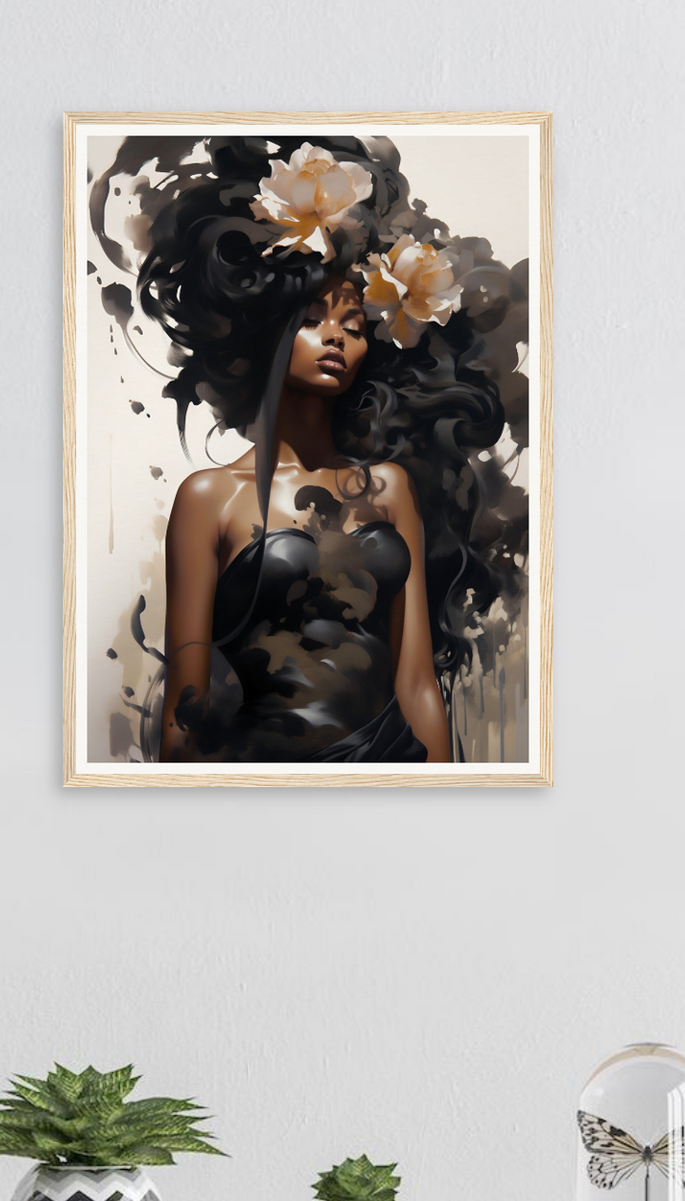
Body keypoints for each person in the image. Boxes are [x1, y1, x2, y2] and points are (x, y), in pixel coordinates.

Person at [92, 136, 523, 766]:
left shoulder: (389, 489)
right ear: (270, 325)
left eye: (353, 327)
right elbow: (188, 699)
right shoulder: (208, 498)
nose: (338, 340)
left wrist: (442, 800)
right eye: (316, 318)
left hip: (387, 763)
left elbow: (417, 683)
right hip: (259, 779)